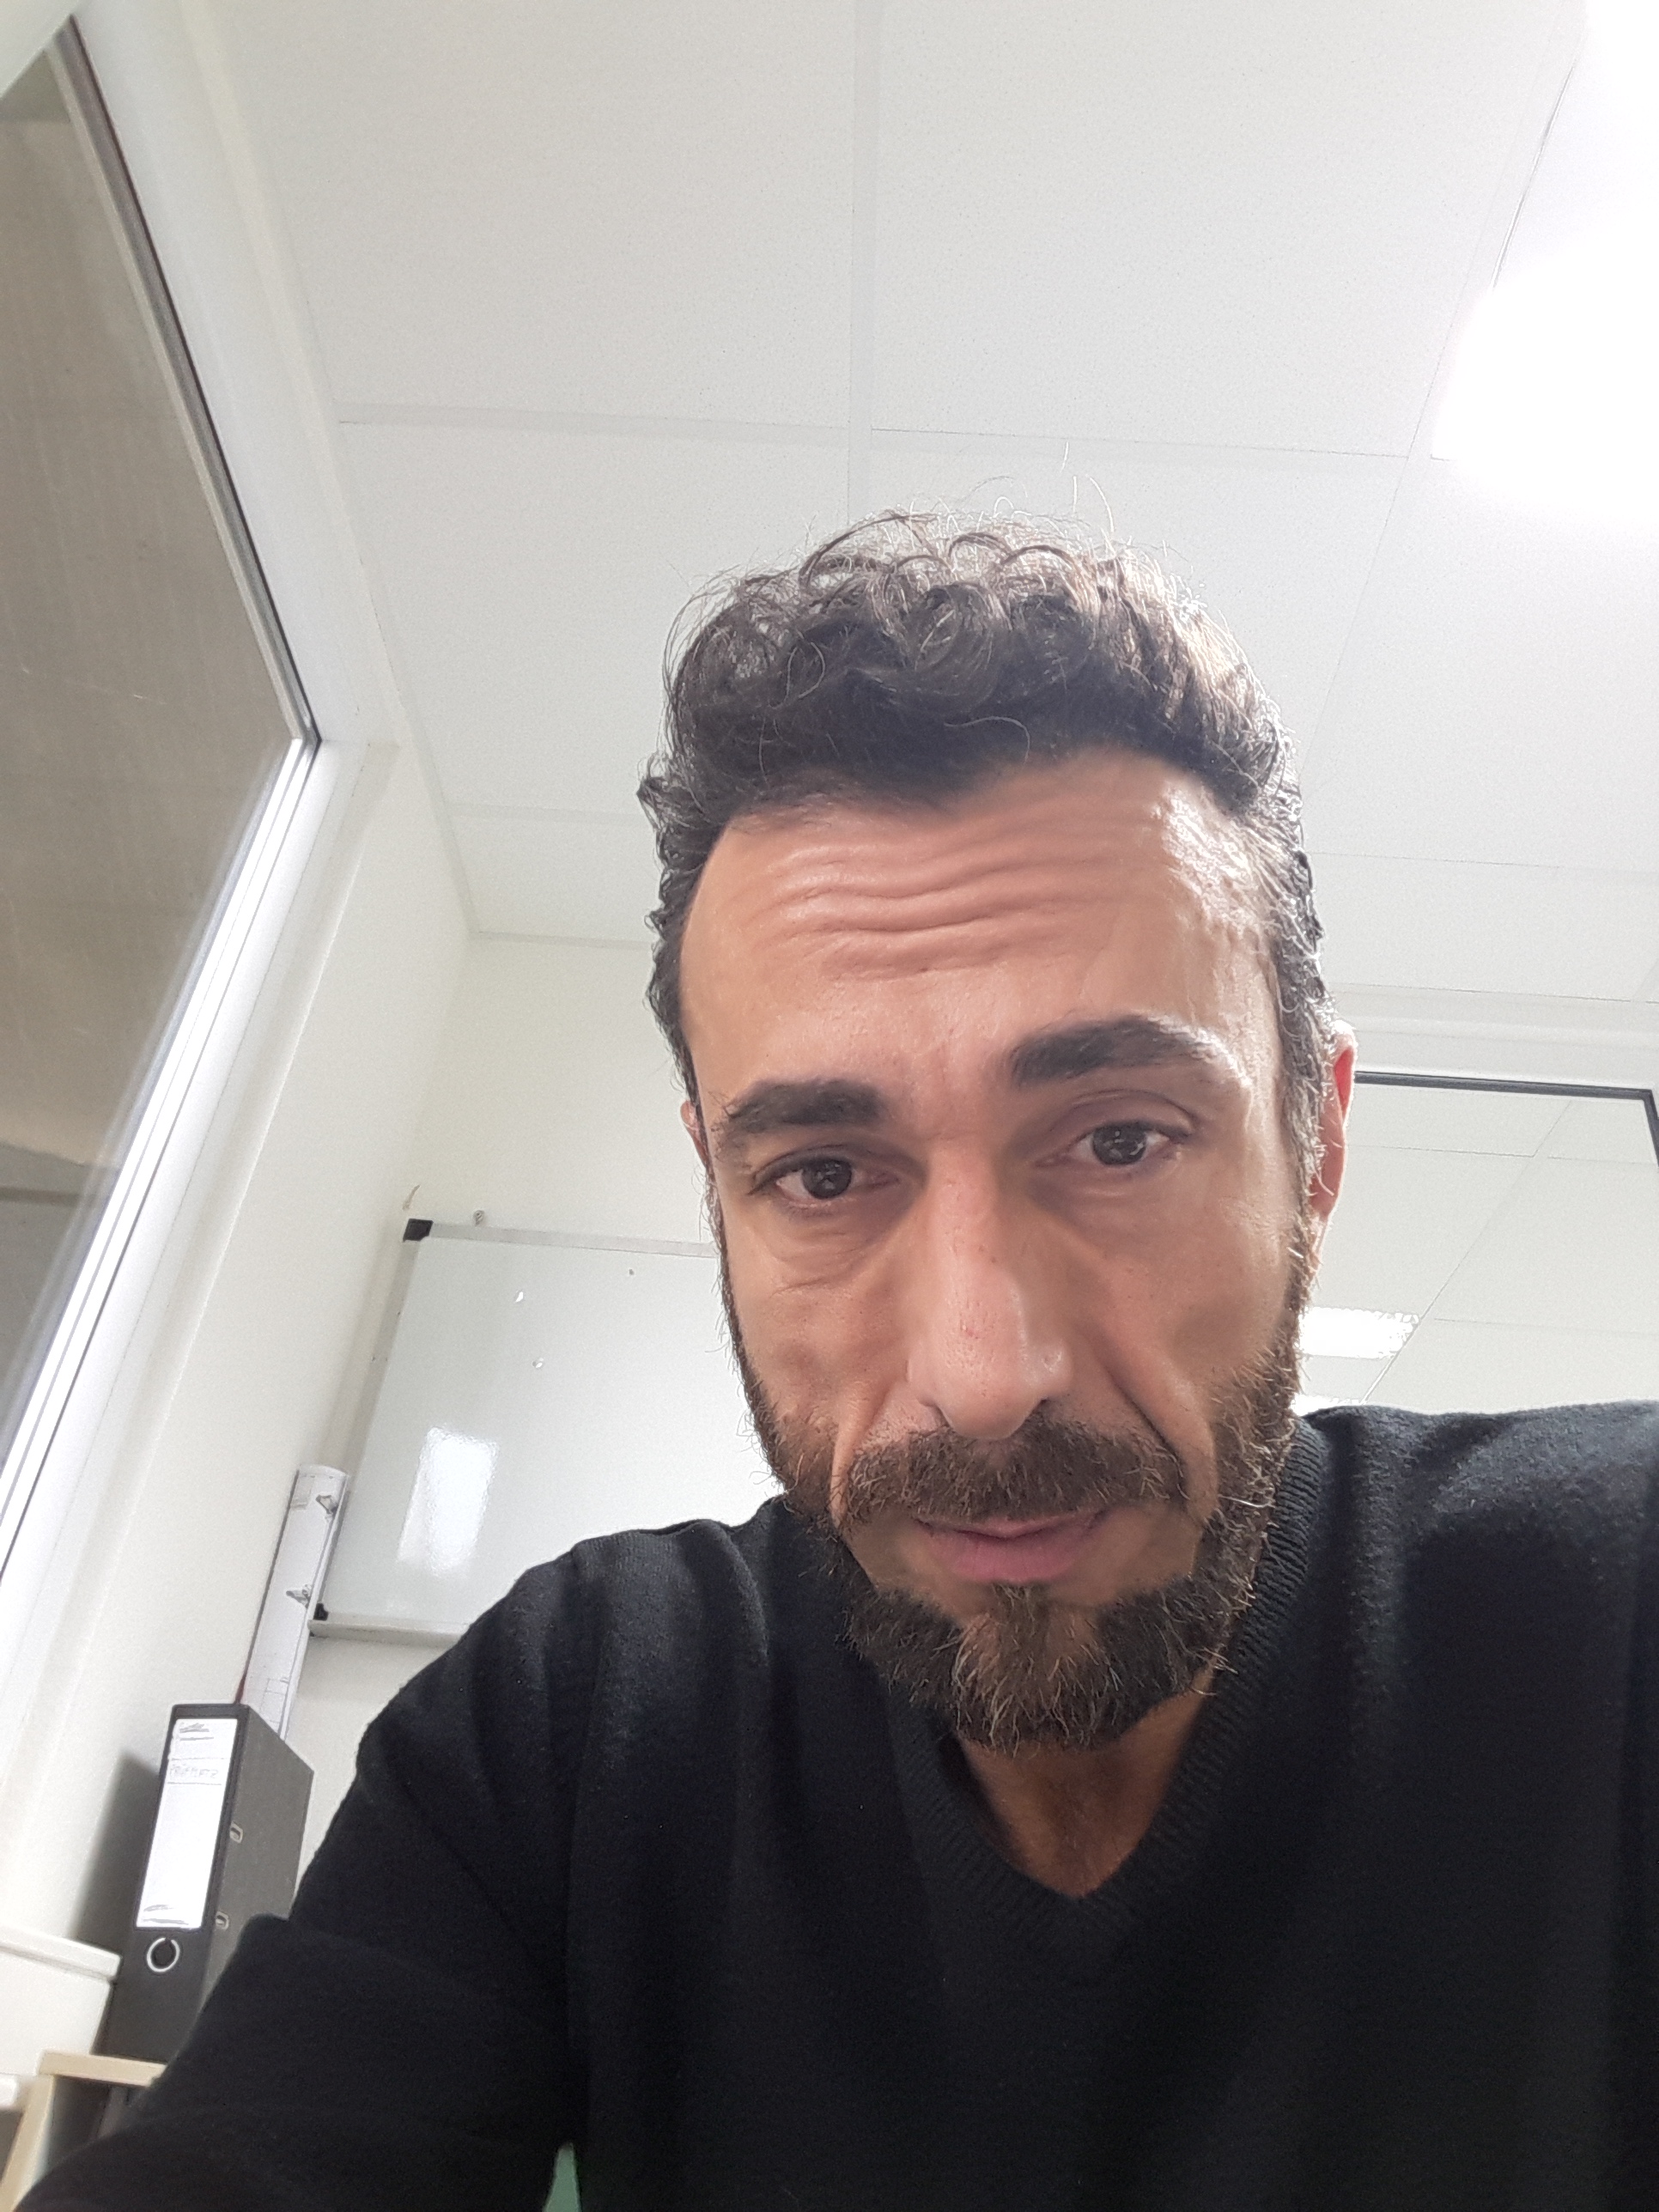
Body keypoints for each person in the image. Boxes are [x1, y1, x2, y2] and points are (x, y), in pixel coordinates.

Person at [29, 515, 1656, 2211]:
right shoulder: (575, 1726)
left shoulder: (1615, 1613)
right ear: (719, 1193)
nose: (985, 1371)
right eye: (823, 1173)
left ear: (1316, 1143)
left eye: (1119, 1139)